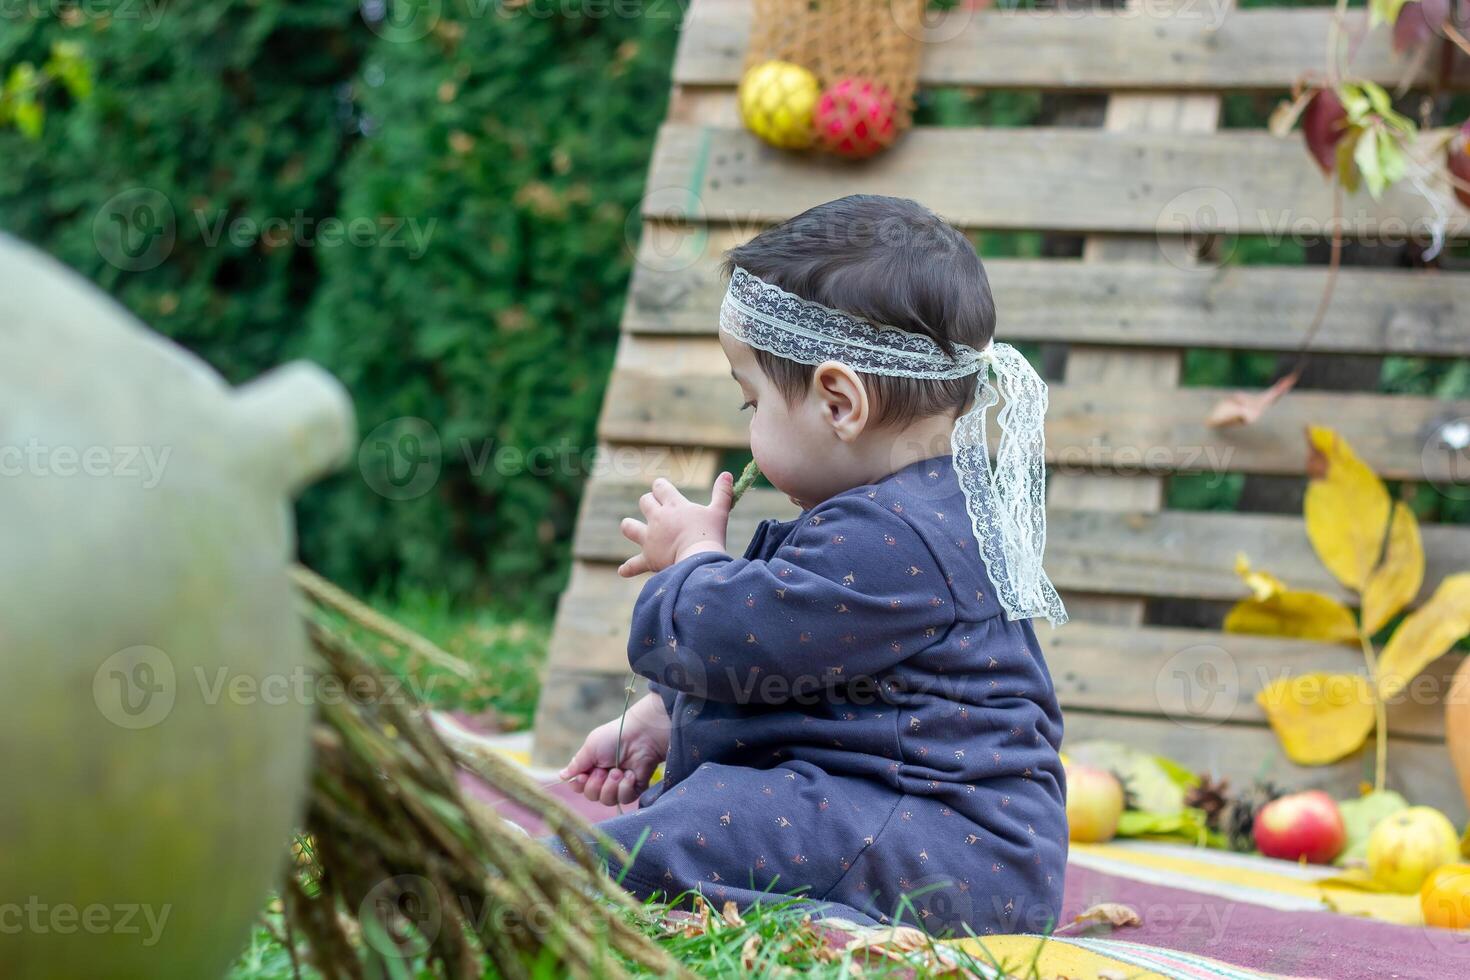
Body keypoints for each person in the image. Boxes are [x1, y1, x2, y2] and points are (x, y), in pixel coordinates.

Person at [558, 194, 1068, 936]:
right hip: (933, 839)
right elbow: (815, 680)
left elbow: (724, 637)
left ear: (838, 401)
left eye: (751, 403)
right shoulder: (906, 518)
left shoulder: (895, 538)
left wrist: (693, 559)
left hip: (943, 848)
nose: (749, 427)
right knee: (743, 813)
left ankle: (548, 874)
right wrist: (664, 716)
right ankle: (746, 902)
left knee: (715, 822)